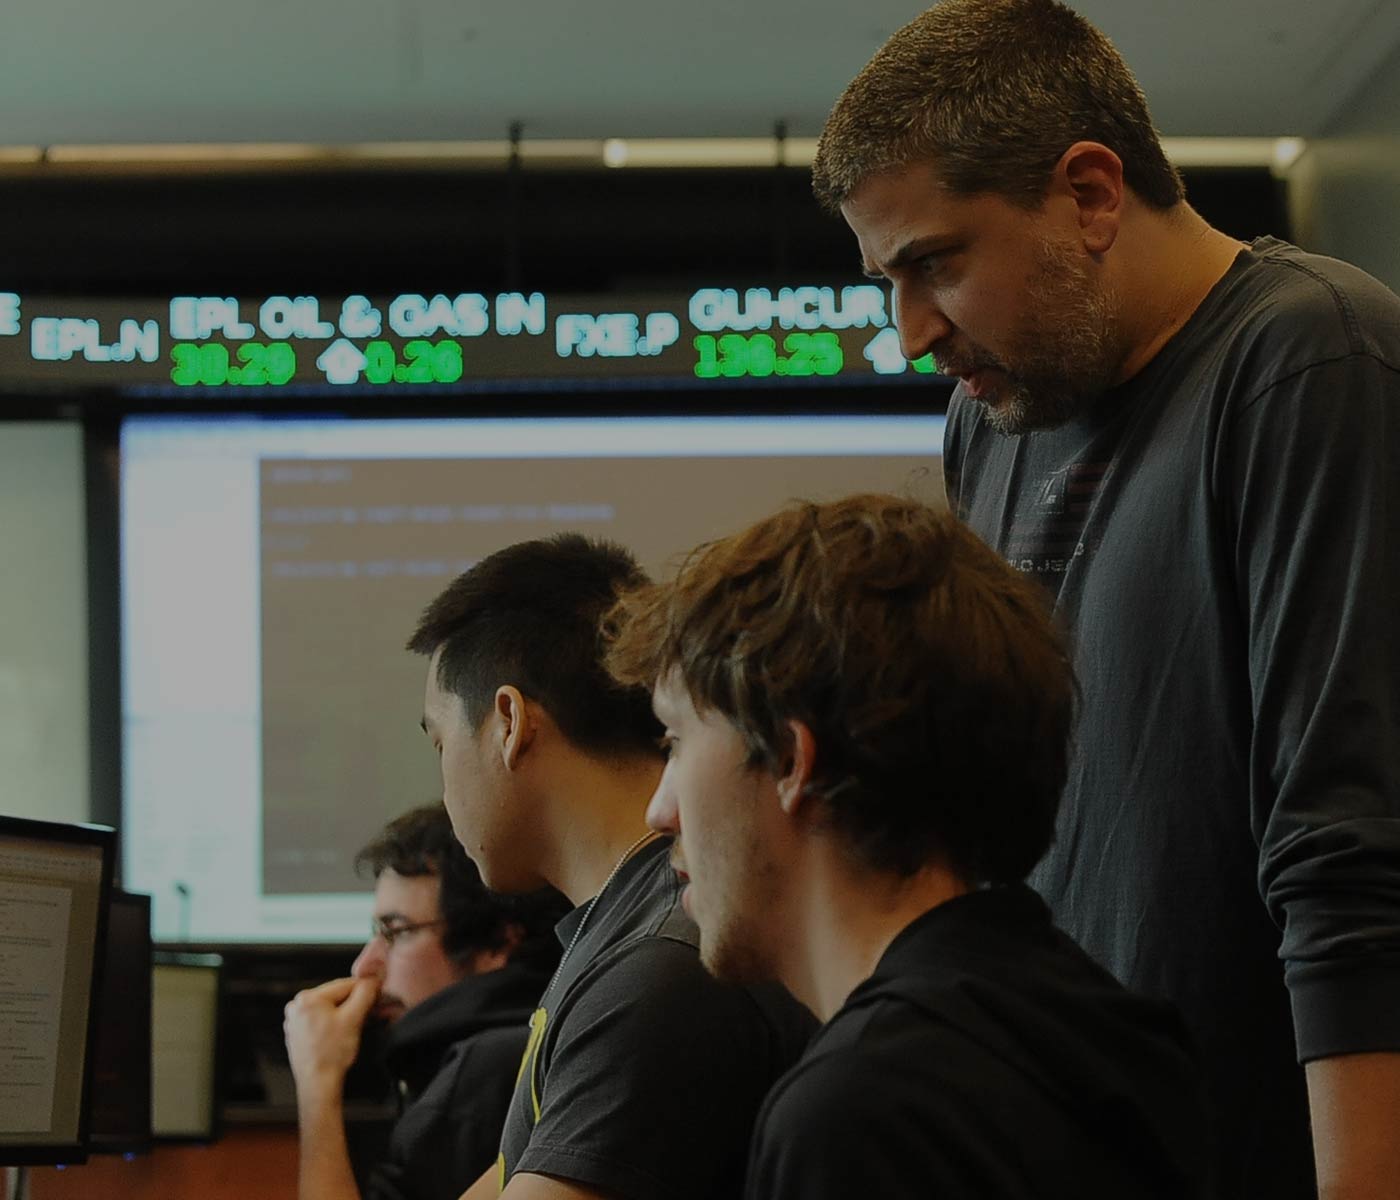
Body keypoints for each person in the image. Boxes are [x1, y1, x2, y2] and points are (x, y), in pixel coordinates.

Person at [812, 2, 1400, 1196]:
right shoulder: (992, 420)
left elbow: (1347, 842)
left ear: (1088, 193)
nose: (911, 331)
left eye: (933, 263)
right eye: (886, 281)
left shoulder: (1310, 359)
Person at [606, 493, 1208, 1199]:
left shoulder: (855, 1113)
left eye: (675, 741)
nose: (659, 811)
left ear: (793, 763)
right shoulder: (1110, 1034)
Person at [406, 533, 815, 1200]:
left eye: (441, 740)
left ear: (509, 722)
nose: (444, 784)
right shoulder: (621, 929)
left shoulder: (659, 965)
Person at [284, 803, 566, 1200]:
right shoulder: (555, 1027)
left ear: (498, 941)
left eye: (396, 932)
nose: (365, 965)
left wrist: (317, 1082)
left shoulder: (478, 1071)